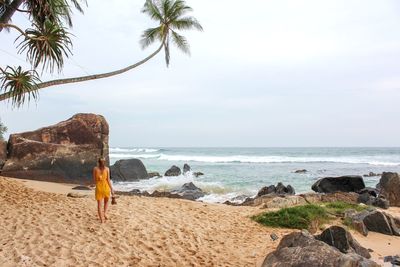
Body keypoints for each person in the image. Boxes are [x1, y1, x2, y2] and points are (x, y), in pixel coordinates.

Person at [93, 157, 114, 223]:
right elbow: (108, 180)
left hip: (99, 188)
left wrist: (99, 179)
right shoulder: (107, 169)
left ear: (98, 162)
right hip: (106, 187)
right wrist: (112, 189)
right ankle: (104, 213)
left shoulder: (95, 169)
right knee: (106, 202)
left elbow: (94, 180)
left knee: (99, 205)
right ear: (104, 162)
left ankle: (102, 220)